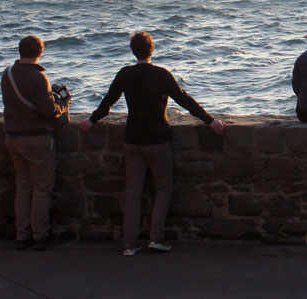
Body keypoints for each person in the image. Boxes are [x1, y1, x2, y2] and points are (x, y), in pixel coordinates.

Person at [90, 31, 222, 257]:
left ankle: (129, 244)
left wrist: (91, 120)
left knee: (133, 192)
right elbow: (185, 100)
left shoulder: (125, 74)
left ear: (133, 51)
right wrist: (210, 120)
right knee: (163, 189)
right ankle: (155, 238)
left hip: (133, 140)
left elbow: (107, 102)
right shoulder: (161, 75)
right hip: (158, 140)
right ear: (152, 49)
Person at [1, 34, 71, 249]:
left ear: (20, 51)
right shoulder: (39, 78)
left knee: (23, 187)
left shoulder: (8, 74)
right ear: (40, 53)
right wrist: (64, 103)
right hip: (36, 139)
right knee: (41, 188)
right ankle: (40, 235)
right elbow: (49, 111)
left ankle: (22, 235)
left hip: (13, 136)